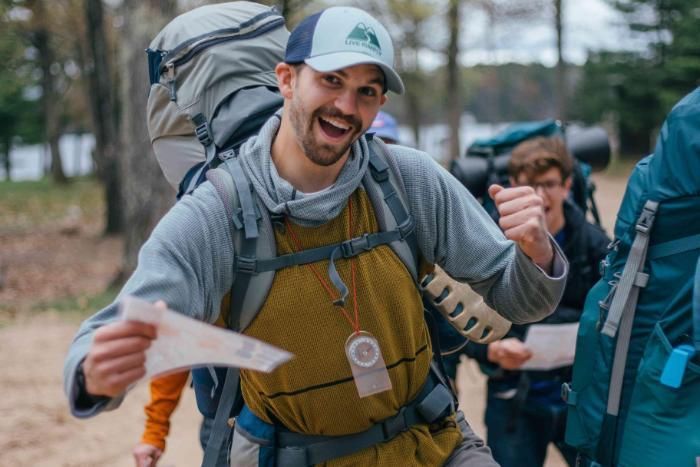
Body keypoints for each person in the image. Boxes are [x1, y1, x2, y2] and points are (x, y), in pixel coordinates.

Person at [64, 6, 569, 466]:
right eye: (331, 80)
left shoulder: (408, 179)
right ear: (285, 79)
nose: (346, 106)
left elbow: (521, 300)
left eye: (366, 91)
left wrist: (536, 253)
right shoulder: (216, 214)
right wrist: (93, 375)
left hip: (433, 445)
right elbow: (105, 332)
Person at [457, 136, 609, 467]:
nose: (540, 196)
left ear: (567, 185)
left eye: (549, 184)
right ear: (513, 186)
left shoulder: (596, 245)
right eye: (530, 185)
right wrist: (491, 351)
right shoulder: (488, 245)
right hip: (513, 399)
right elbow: (456, 320)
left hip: (578, 398)